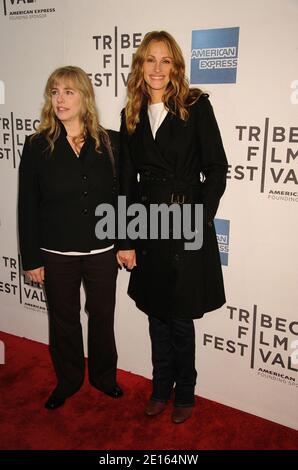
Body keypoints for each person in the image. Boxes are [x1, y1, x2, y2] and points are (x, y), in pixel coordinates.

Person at [117, 31, 228, 424]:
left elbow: (216, 168)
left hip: (185, 225)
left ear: (176, 66)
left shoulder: (195, 106)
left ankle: (187, 392)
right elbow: (126, 183)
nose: (158, 68)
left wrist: (200, 215)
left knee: (179, 316)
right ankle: (160, 387)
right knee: (155, 315)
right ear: (140, 66)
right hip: (147, 227)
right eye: (150, 60)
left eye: (165, 60)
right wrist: (125, 238)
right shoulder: (131, 112)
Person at [18, 66, 123, 410]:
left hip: (103, 250)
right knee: (63, 320)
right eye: (54, 92)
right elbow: (28, 205)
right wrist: (31, 258)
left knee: (102, 316)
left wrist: (125, 242)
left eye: (68, 92)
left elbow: (121, 196)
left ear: (85, 97)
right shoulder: (37, 146)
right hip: (56, 252)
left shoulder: (110, 141)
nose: (60, 99)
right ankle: (69, 380)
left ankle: (105, 377)